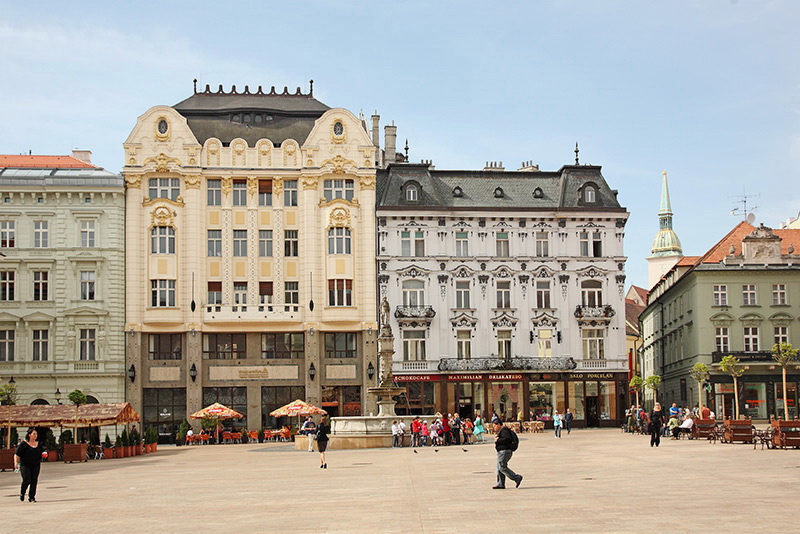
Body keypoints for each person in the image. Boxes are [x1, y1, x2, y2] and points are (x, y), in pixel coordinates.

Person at [15, 428, 46, 503]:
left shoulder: (38, 444)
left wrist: (45, 454)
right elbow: (17, 454)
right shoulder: (23, 444)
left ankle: (32, 497)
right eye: (34, 434)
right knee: (26, 479)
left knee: (34, 480)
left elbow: (43, 451)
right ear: (29, 435)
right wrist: (16, 463)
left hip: (36, 464)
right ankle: (22, 492)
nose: (35, 435)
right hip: (25, 465)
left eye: (36, 434)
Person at [492, 418, 522, 489]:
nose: (494, 428)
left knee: (502, 467)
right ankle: (500, 484)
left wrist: (498, 439)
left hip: (504, 451)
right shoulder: (502, 430)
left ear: (499, 424)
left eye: (495, 426)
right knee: (499, 467)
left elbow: (507, 439)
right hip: (502, 451)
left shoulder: (504, 430)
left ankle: (516, 477)